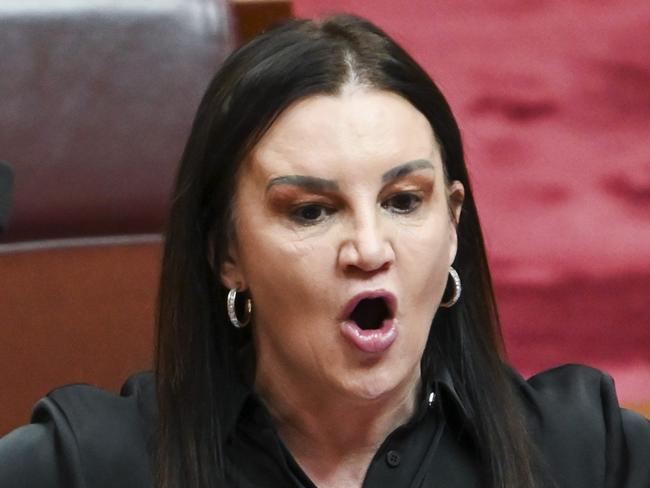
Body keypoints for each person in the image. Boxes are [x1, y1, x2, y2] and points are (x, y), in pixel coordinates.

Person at [0, 14, 648, 488]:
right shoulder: (86, 465)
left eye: (402, 201)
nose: (369, 248)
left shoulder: (585, 453)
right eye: (312, 210)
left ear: (453, 223)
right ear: (226, 250)